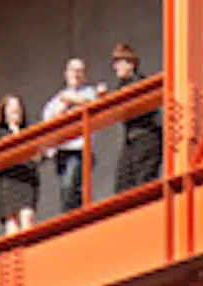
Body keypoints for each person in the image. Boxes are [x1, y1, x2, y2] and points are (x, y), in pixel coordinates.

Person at [43, 55, 103, 210]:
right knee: (66, 189)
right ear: (66, 73)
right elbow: (49, 121)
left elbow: (94, 104)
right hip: (62, 150)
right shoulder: (55, 101)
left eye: (80, 71)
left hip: (80, 149)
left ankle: (80, 214)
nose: (76, 74)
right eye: (72, 70)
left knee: (71, 184)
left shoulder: (89, 92)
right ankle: (73, 216)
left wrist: (72, 99)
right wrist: (66, 104)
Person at [109, 39, 161, 191]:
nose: (115, 67)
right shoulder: (121, 87)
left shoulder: (140, 82)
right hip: (132, 139)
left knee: (143, 182)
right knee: (123, 183)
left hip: (146, 136)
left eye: (119, 62)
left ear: (131, 64)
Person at [0, 92, 38, 232]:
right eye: (12, 109)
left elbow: (35, 157)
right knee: (12, 224)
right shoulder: (0, 135)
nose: (16, 112)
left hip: (26, 180)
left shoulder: (29, 133)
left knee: (27, 217)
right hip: (9, 181)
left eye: (18, 109)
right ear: (5, 113)